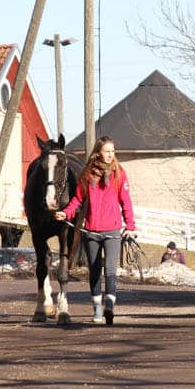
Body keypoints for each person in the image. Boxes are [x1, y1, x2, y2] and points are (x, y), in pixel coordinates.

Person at [55, 136, 137, 325]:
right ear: (98, 152)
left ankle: (109, 306)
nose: (111, 155)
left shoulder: (119, 173)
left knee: (110, 271)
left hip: (113, 231)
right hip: (92, 230)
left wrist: (130, 226)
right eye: (107, 151)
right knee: (94, 272)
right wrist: (66, 214)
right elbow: (77, 200)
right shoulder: (88, 174)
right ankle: (97, 310)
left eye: (113, 151)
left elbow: (126, 201)